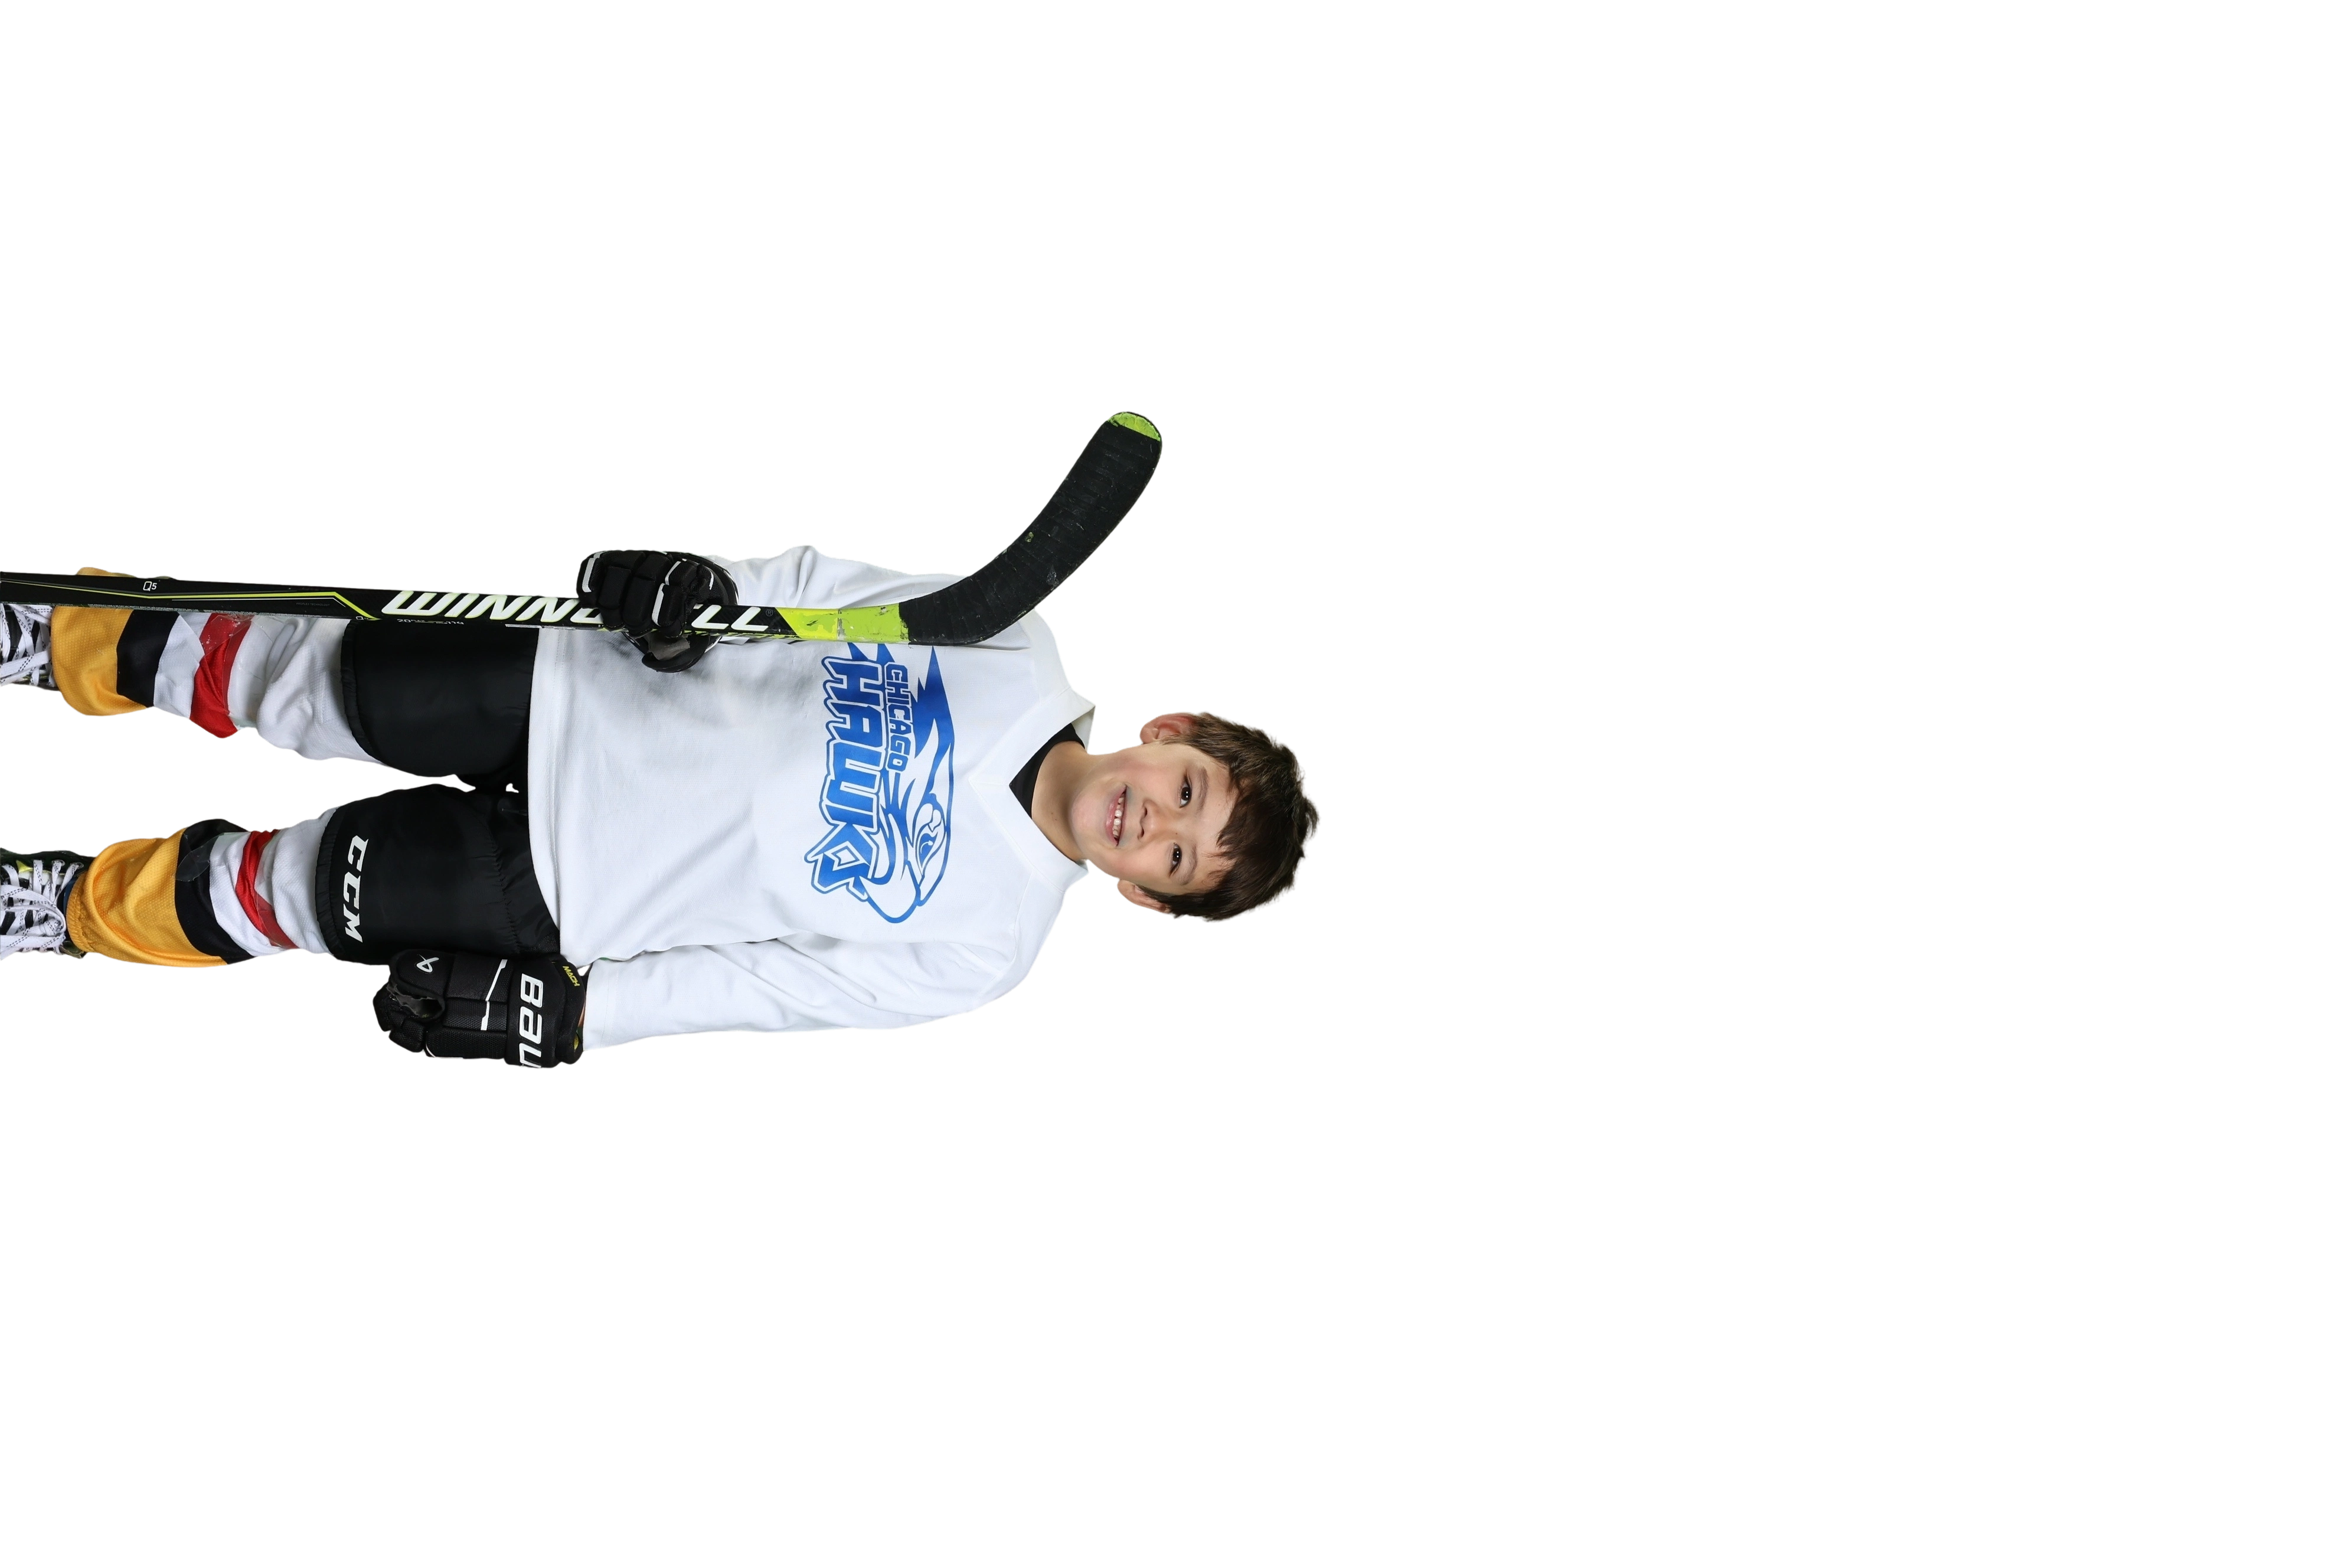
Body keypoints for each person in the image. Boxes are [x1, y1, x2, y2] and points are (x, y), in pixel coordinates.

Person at [0, 547, 1321, 1067]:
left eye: (1180, 861)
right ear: (1175, 731)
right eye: (1188, 793)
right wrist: (694, 583)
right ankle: (50, 641)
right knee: (306, 675)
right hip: (572, 684)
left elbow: (773, 985)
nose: (1156, 825)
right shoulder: (1010, 638)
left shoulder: (988, 946)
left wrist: (581, 1017)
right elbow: (811, 587)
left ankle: (63, 909)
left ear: (1147, 898)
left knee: (287, 894)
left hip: (568, 881)